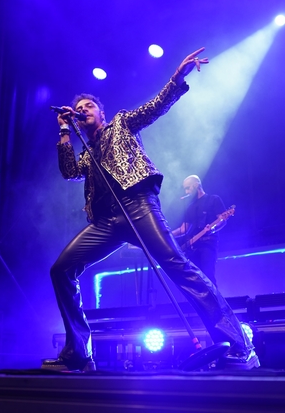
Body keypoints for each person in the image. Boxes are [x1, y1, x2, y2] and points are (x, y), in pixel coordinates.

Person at [43, 48, 258, 372]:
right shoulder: (86, 154)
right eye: (79, 108)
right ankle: (79, 353)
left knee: (178, 266)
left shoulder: (121, 124)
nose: (82, 110)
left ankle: (240, 346)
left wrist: (177, 78)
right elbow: (69, 171)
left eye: (88, 106)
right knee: (61, 270)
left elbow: (155, 107)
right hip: (106, 221)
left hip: (138, 205)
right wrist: (63, 130)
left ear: (101, 113)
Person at [172, 175, 228, 286]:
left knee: (208, 276)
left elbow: (222, 220)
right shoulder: (191, 206)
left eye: (188, 188)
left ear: (196, 185)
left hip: (208, 243)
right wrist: (167, 235)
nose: (186, 191)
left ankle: (214, 297)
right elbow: (183, 229)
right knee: (195, 279)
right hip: (193, 246)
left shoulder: (213, 199)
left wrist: (212, 229)